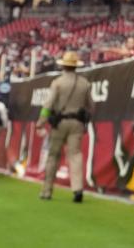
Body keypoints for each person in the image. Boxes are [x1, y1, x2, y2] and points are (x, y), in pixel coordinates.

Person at [36, 51, 93, 202]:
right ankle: (77, 189)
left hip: (60, 123)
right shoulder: (85, 84)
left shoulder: (58, 82)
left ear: (63, 66)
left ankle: (47, 190)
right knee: (75, 155)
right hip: (77, 123)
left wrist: (41, 121)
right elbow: (90, 106)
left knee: (53, 155)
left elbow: (48, 104)